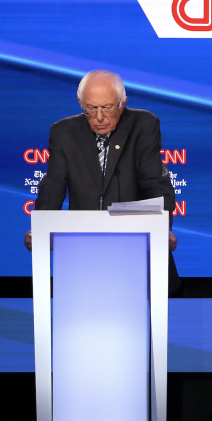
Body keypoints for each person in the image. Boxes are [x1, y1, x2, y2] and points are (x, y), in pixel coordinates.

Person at [23, 70, 179, 287]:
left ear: (122, 103)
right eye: (91, 108)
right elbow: (53, 185)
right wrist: (40, 226)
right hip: (83, 251)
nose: (99, 117)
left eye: (107, 108)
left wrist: (163, 227)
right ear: (80, 103)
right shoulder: (63, 132)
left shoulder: (144, 125)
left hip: (136, 249)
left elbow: (155, 183)